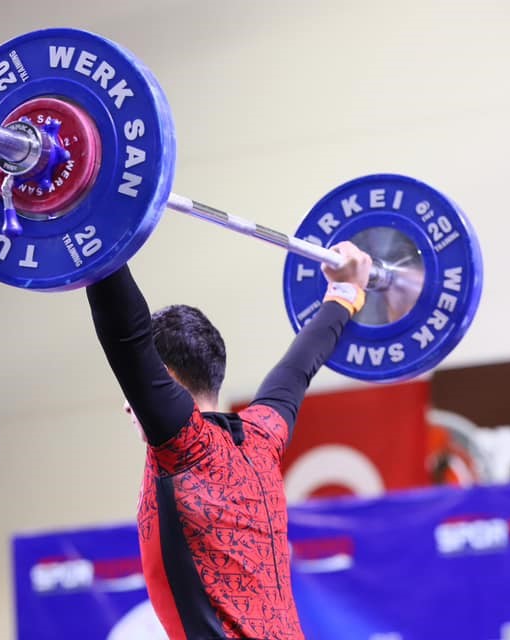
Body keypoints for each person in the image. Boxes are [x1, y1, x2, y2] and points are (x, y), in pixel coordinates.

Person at [86, 241, 372, 640]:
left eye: (134, 392)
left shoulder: (183, 446)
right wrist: (345, 292)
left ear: (162, 379)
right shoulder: (261, 437)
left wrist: (95, 239)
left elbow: (126, 335)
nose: (127, 405)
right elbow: (296, 369)